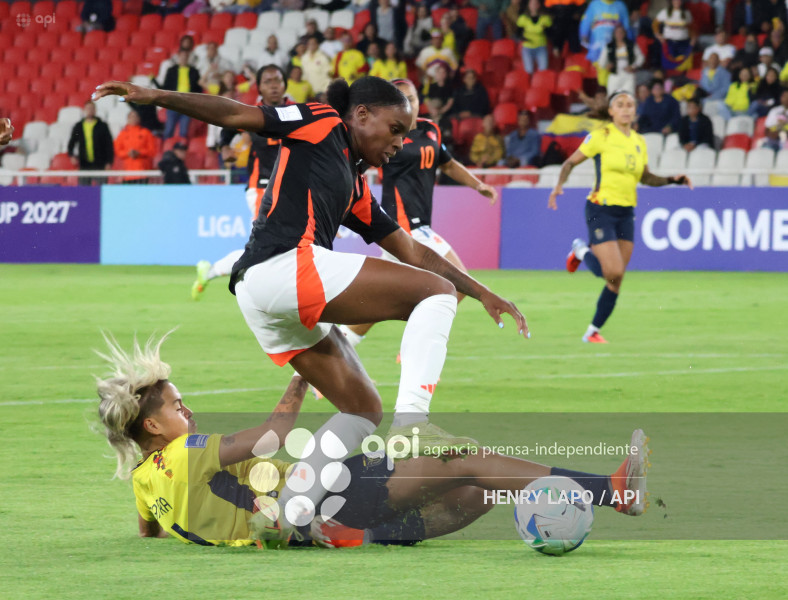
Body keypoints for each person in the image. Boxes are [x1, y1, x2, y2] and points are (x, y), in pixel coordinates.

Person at [93, 75, 528, 545]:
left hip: (262, 295)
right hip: (280, 265)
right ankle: (414, 427)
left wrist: (482, 290)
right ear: (361, 115)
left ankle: (294, 506)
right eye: (395, 128)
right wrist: (159, 97)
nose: (400, 142)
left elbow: (413, 251)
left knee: (362, 407)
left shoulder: (355, 188)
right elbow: (237, 113)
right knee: (436, 294)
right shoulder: (320, 122)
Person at [96, 333, 649, 548]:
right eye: (175, 405)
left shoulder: (146, 480)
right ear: (151, 427)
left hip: (316, 523)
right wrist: (300, 375)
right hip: (324, 498)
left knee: (477, 490)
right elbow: (269, 436)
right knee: (464, 458)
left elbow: (150, 528)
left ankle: (381, 534)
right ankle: (611, 490)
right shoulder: (186, 452)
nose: (185, 409)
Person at [339, 79, 499, 349]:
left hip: (417, 227)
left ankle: (336, 349)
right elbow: (356, 168)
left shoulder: (430, 129)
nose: (409, 104)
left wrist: (477, 184)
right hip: (402, 225)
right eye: (402, 99)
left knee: (380, 304)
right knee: (458, 283)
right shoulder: (384, 133)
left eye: (412, 98)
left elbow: (447, 164)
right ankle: (417, 345)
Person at [548, 90, 692, 343]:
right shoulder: (601, 136)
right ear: (611, 111)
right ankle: (581, 251)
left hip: (626, 212)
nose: (626, 109)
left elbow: (646, 177)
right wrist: (559, 185)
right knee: (612, 272)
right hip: (600, 208)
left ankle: (592, 331)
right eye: (620, 105)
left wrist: (673, 180)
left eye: (630, 105)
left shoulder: (638, 141)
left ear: (635, 111)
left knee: (617, 279)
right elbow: (570, 162)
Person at [192, 65, 290, 299]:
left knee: (281, 247)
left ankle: (211, 271)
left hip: (291, 189)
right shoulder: (252, 113)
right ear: (260, 87)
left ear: (285, 84)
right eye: (268, 81)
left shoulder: (296, 112)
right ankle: (258, 291)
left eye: (277, 80)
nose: (274, 85)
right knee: (267, 246)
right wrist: (224, 147)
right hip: (261, 188)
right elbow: (226, 131)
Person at [67, 101, 115, 185]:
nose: (90, 110)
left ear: (95, 110)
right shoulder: (79, 126)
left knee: (101, 189)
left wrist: (109, 162)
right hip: (84, 164)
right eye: (88, 108)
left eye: (92, 108)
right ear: (84, 110)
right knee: (83, 190)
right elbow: (71, 143)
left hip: (100, 164)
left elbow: (109, 145)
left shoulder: (102, 126)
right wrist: (71, 155)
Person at [161, 49, 202, 139]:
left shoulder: (194, 71)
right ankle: (165, 150)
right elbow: (166, 86)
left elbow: (198, 88)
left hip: (187, 104)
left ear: (188, 58)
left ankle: (181, 150)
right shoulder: (171, 70)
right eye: (182, 56)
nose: (184, 58)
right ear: (178, 57)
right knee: (169, 129)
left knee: (184, 131)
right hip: (173, 103)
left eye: (186, 56)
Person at [113, 110, 158, 183]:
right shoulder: (122, 134)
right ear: (128, 119)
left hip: (142, 172)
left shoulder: (145, 132)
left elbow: (152, 150)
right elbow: (117, 150)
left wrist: (139, 153)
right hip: (127, 173)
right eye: (131, 117)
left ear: (139, 118)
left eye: (135, 116)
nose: (133, 118)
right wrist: (127, 153)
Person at [599, 24, 644, 95]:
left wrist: (633, 66)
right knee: (613, 97)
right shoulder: (609, 46)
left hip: (628, 76)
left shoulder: (631, 45)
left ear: (624, 33)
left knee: (629, 96)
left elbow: (641, 58)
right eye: (617, 33)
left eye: (621, 32)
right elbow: (601, 61)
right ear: (614, 34)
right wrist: (607, 66)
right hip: (614, 75)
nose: (619, 35)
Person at [653, 0, 696, 71]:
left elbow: (691, 27)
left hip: (683, 43)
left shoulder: (686, 13)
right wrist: (658, 36)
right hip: (669, 43)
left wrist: (693, 39)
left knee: (683, 66)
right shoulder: (665, 12)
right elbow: (655, 24)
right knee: (669, 66)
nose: (677, 2)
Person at [517, 0, 553, 74]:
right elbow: (518, 33)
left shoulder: (545, 18)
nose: (533, 5)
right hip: (527, 47)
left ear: (539, 5)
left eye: (536, 3)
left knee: (543, 70)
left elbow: (551, 34)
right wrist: (523, 38)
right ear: (528, 5)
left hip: (541, 46)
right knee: (529, 70)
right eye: (532, 3)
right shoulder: (523, 18)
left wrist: (545, 29)